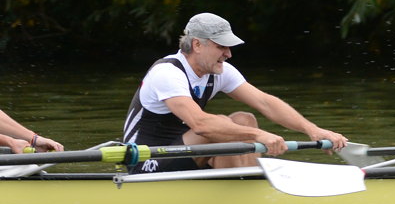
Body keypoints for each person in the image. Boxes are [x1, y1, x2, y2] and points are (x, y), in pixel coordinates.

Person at [122, 13, 347, 174]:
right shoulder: (167, 73)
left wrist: (313, 129)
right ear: (198, 45)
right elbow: (201, 124)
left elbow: (266, 103)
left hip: (185, 153)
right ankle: (239, 193)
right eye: (221, 46)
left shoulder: (219, 71)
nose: (228, 54)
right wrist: (259, 136)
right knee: (221, 125)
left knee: (244, 119)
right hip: (147, 160)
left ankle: (243, 181)